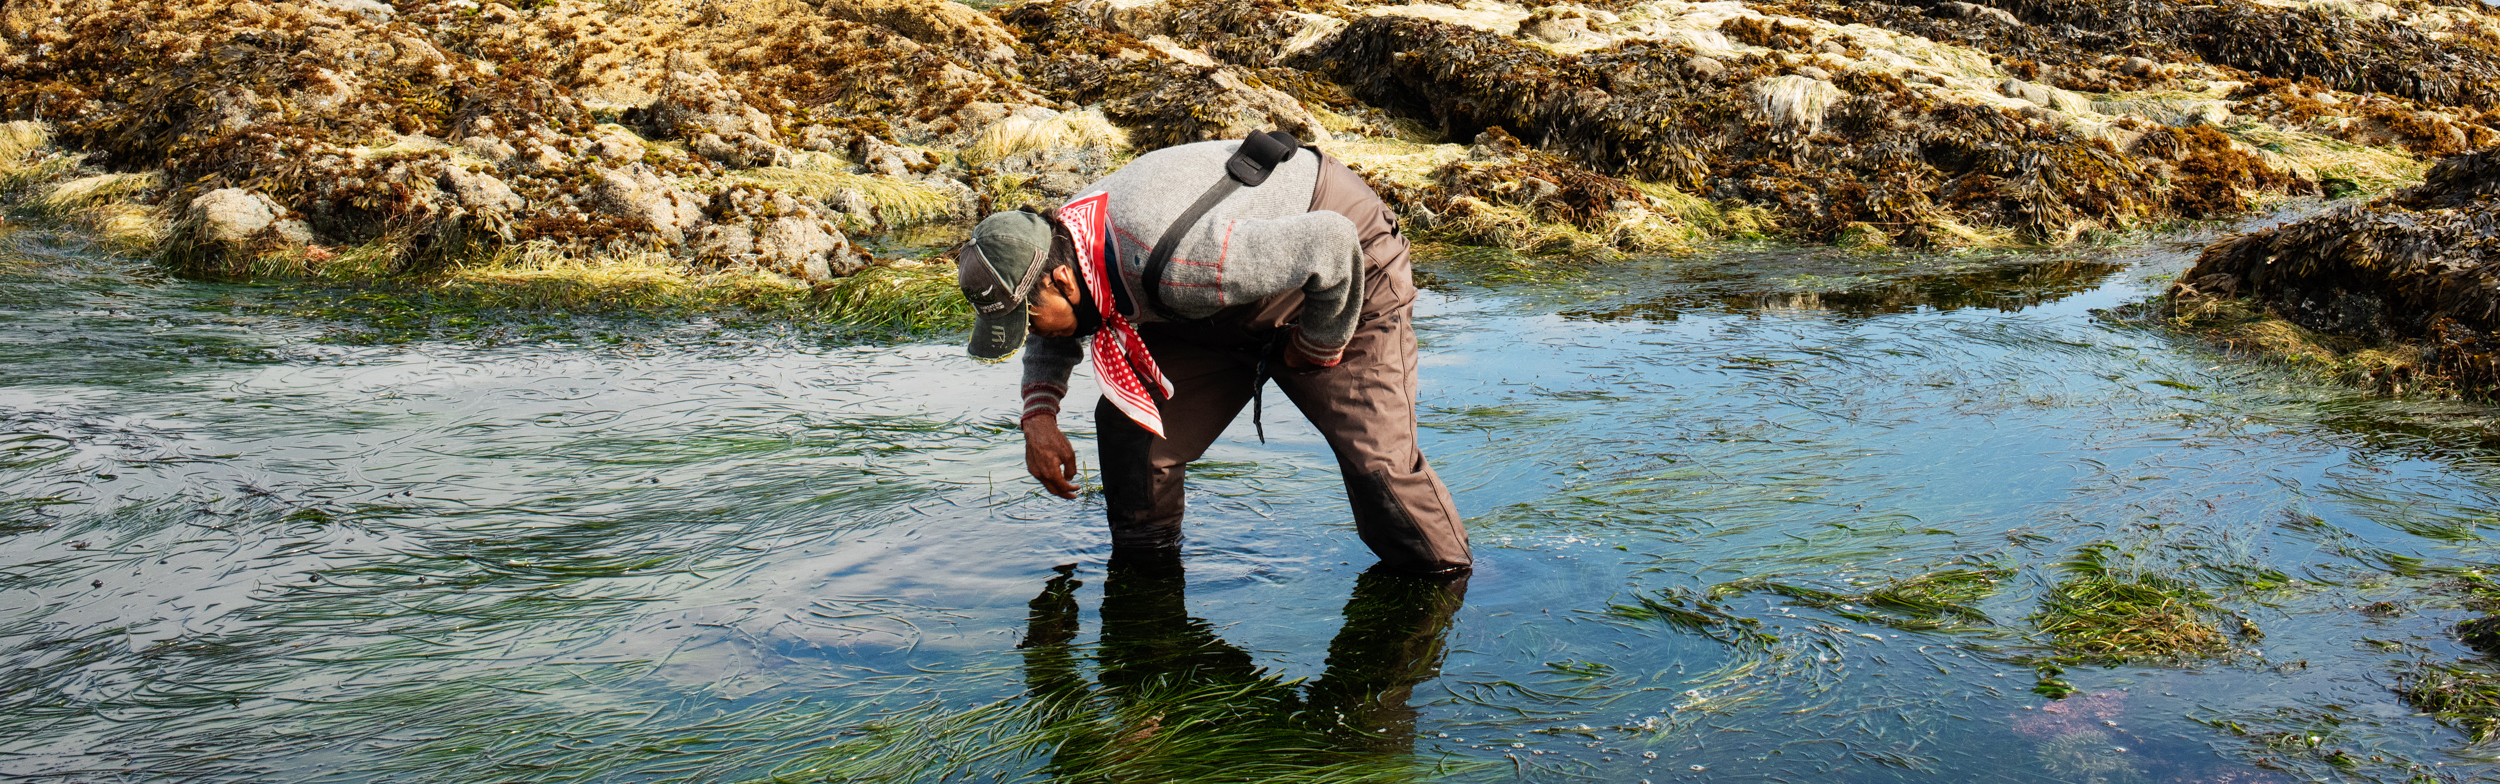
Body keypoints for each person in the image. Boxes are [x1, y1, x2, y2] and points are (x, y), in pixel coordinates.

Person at [956, 133, 1471, 574]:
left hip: (1342, 263)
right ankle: (1146, 579)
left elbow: (1333, 245)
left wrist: (1312, 349)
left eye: (1028, 318)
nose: (1031, 333)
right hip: (1216, 283)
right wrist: (1038, 415)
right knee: (1135, 436)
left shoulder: (1175, 260)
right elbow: (1058, 325)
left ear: (1065, 279)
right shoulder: (1057, 241)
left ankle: (1456, 584)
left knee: (1378, 473)